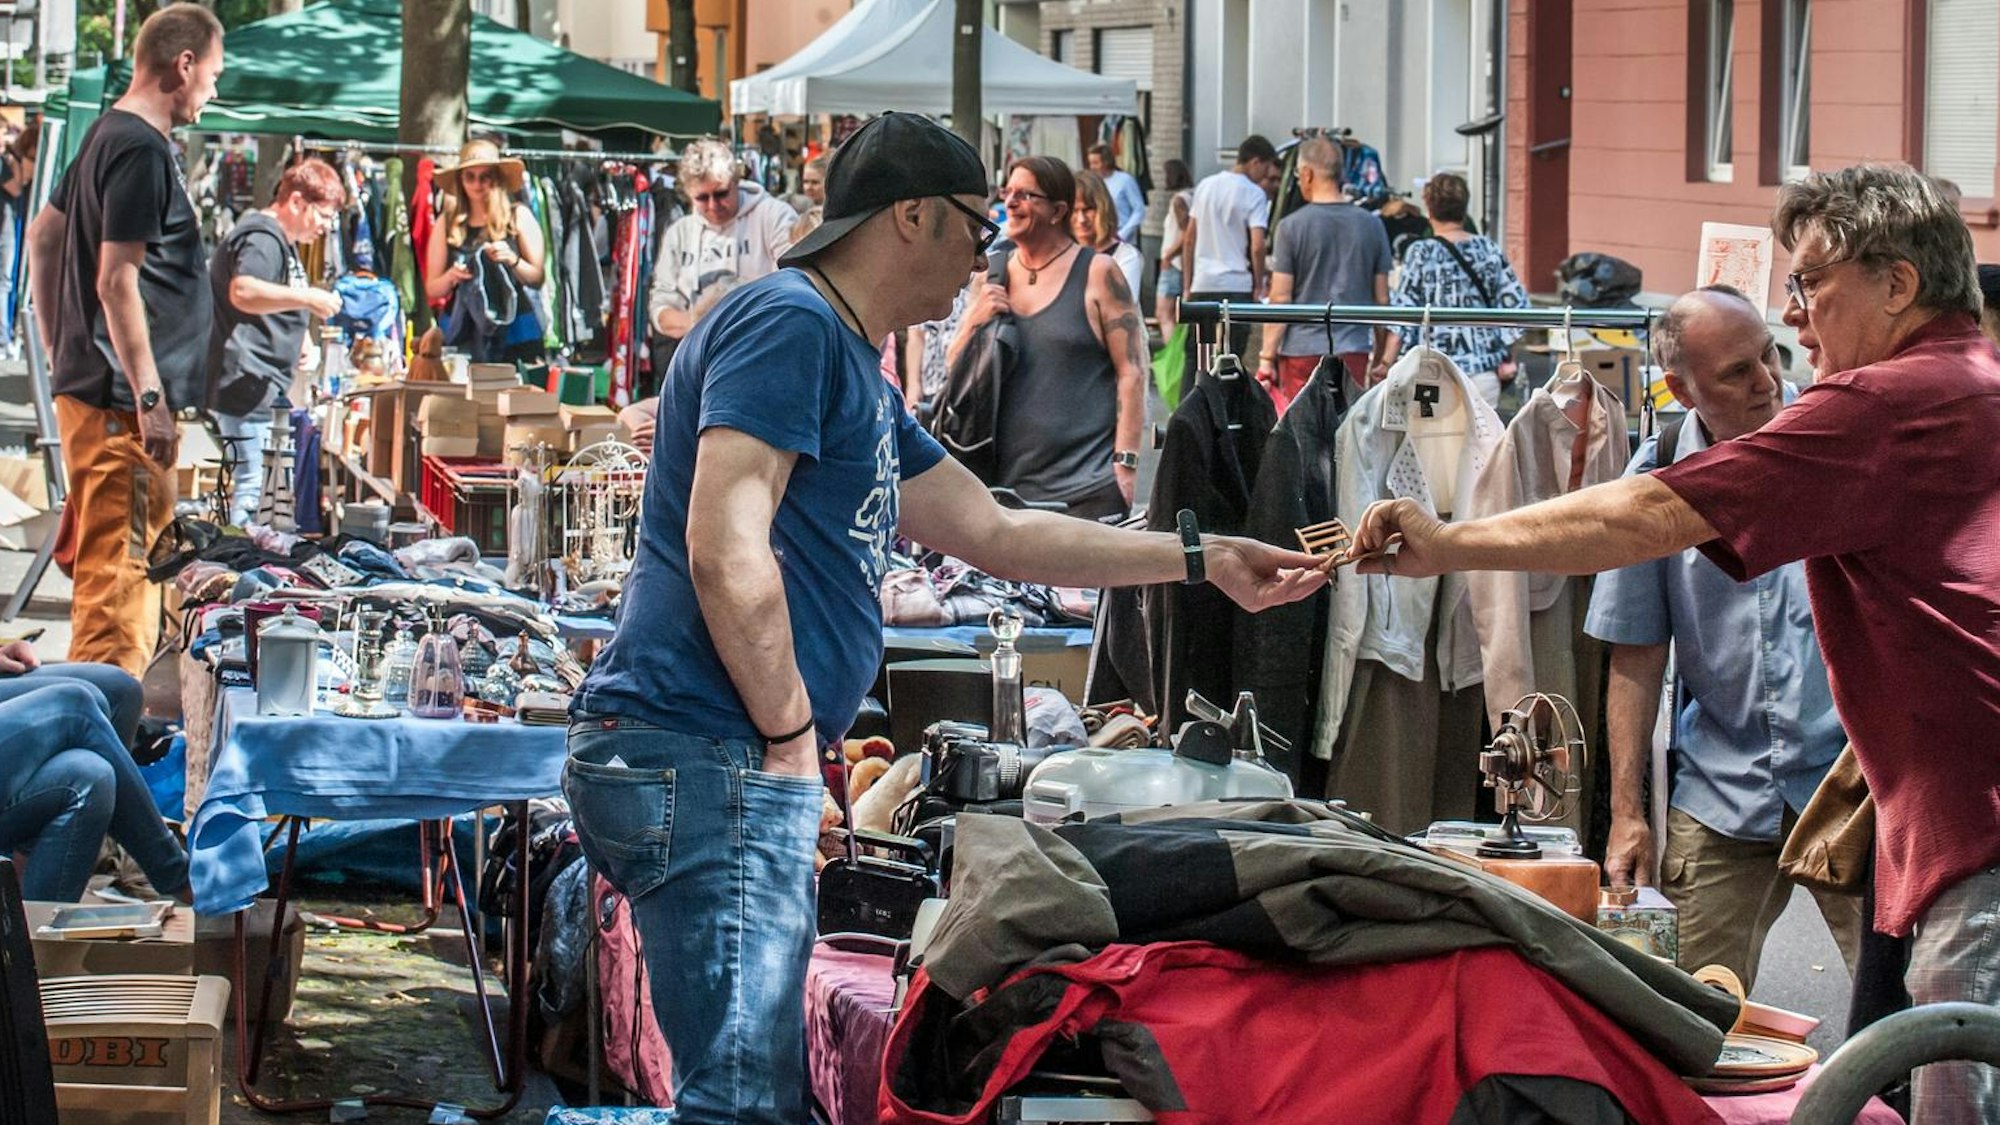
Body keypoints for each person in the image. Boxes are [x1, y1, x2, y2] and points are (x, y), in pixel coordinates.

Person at [562, 111, 1323, 1124]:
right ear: (911, 215)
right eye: (977, 224)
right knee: (743, 1104)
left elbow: (995, 532)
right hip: (705, 751)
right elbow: (724, 544)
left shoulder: (842, 356)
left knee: (746, 1096)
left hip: (712, 755)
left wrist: (1201, 557)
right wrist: (793, 743)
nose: (991, 251)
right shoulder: (790, 324)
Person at [1345, 164, 2000, 1125]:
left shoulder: (1888, 401)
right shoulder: (1974, 380)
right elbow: (1638, 633)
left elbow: (1648, 515)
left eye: (1812, 284)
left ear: (1898, 285)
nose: (1799, 323)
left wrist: (1447, 542)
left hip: (1972, 845)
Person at [1587, 286, 1861, 991]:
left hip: (1851, 788)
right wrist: (1625, 815)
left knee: (1902, 1021)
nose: (1767, 380)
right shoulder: (1656, 479)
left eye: (1769, 355)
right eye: (1738, 372)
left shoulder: (1840, 447)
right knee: (1684, 1015)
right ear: (1680, 387)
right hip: (1721, 789)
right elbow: (1636, 653)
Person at [26, 3, 224, 678]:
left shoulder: (106, 134)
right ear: (184, 64)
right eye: (214, 75)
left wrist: (62, 354)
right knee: (121, 594)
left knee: (118, 576)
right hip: (119, 413)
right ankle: (99, 753)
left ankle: (96, 737)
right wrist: (149, 397)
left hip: (100, 398)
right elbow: (116, 280)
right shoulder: (139, 145)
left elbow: (43, 238)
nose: (214, 92)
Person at [950, 156, 1148, 518]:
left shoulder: (1098, 272)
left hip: (1085, 488)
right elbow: (956, 370)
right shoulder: (991, 271)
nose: (1010, 202)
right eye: (1008, 192)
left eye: (1025, 195)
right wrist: (973, 321)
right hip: (1002, 488)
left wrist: (1126, 464)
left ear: (1057, 211)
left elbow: (1132, 372)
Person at [206, 159, 345, 527]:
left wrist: (301, 338)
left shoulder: (280, 242)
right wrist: (308, 300)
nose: (327, 227)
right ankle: (234, 568)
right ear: (297, 202)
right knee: (253, 490)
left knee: (266, 490)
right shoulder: (263, 237)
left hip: (259, 384)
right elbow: (244, 290)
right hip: (244, 381)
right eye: (323, 215)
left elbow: (271, 296)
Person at [1256, 137, 1393, 413]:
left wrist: (1266, 357)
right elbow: (1382, 299)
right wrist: (1380, 356)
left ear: (1306, 173)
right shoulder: (1372, 225)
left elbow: (1281, 297)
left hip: (1301, 351)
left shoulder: (1291, 227)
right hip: (1353, 348)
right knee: (1346, 434)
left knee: (1303, 434)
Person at [1381, 172, 1529, 411]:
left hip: (1431, 372)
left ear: (1429, 209)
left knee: (1430, 443)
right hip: (1482, 373)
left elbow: (1404, 315)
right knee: (1481, 446)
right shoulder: (1488, 249)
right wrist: (1508, 357)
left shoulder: (1420, 253)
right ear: (1464, 207)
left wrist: (1387, 361)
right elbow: (1516, 309)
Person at [648, 138, 797, 343]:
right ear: (689, 196)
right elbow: (661, 306)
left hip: (764, 342)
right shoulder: (679, 233)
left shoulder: (773, 216)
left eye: (721, 193)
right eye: (702, 198)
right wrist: (703, 326)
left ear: (736, 181)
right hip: (702, 350)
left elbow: (795, 284)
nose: (713, 205)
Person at [424, 138, 548, 363]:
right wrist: (452, 276)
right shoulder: (449, 222)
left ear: (497, 178)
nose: (477, 184)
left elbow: (538, 278)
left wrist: (512, 260)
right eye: (469, 177)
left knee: (518, 395)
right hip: (462, 328)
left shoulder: (518, 216)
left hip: (515, 326)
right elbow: (432, 288)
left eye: (485, 177)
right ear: (460, 181)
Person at [1184, 135, 1278, 359]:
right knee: (1231, 356)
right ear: (1255, 161)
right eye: (1265, 168)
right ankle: (1225, 395)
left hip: (1203, 282)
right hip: (1237, 284)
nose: (1264, 176)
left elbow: (1189, 239)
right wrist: (1258, 284)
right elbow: (1257, 245)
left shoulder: (1205, 185)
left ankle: (1192, 393)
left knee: (1197, 354)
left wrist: (1187, 284)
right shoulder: (1254, 193)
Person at [1073, 168, 1144, 298]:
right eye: (1074, 211)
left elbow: (1123, 307)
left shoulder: (1125, 256)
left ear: (1102, 208)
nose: (1081, 219)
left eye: (1088, 209)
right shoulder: (1059, 255)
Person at [0, 124, 38, 357]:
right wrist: (18, 166)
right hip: (4, 229)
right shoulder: (5, 163)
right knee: (4, 282)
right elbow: (15, 188)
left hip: (7, 227)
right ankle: (3, 338)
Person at [1155, 158, 1194, 336]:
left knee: (1164, 313)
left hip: (1174, 263)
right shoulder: (1194, 195)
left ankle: (1172, 359)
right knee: (1179, 315)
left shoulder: (1179, 200)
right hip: (1186, 263)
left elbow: (1187, 232)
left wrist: (1168, 255)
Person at [1085, 142, 1146, 246]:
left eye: (1096, 163)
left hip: (1122, 237)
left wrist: (1123, 234)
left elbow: (1139, 209)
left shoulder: (1125, 180)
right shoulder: (1093, 183)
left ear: (1106, 162)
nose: (1092, 167)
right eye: (1091, 163)